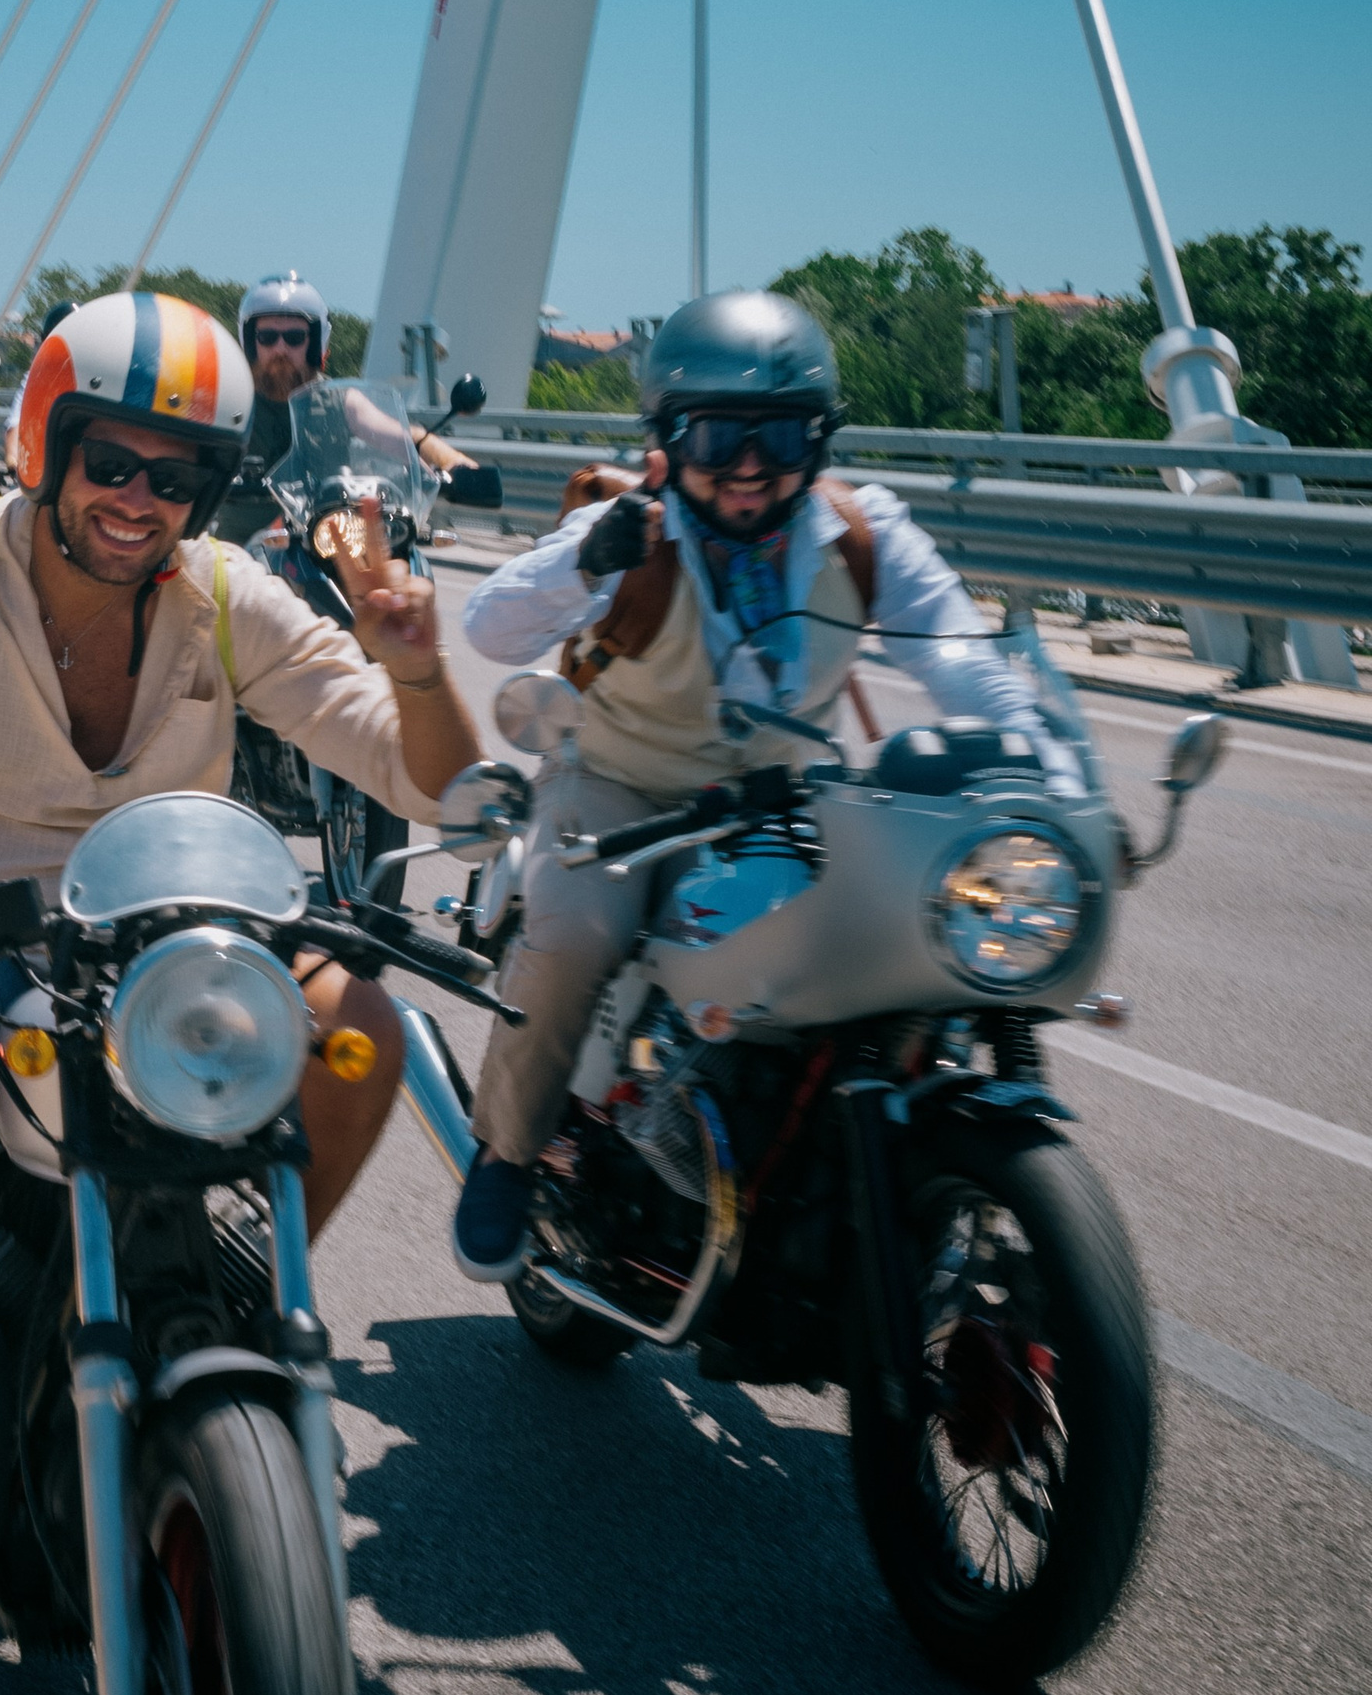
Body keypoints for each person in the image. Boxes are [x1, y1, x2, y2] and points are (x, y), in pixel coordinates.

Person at [0, 288, 485, 1507]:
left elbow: (424, 776)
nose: (138, 498)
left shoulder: (220, 593)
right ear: (46, 441)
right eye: (110, 460)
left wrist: (416, 668)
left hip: (164, 930)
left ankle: (252, 1302)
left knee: (359, 1017)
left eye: (179, 475)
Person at [447, 288, 1079, 1284]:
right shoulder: (633, 530)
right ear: (665, 439)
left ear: (819, 439)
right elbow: (489, 628)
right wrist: (585, 564)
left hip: (782, 799)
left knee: (908, 944)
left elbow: (966, 665)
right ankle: (508, 1153)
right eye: (717, 436)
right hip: (621, 783)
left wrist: (1058, 780)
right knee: (573, 938)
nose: (747, 468)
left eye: (779, 436)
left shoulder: (864, 534)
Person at [218, 270, 476, 544]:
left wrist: (453, 463)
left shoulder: (335, 399)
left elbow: (394, 433)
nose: (280, 349)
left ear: (316, 343)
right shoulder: (232, 398)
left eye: (294, 338)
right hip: (241, 549)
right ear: (250, 342)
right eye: (268, 337)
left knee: (408, 577)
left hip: (326, 544)